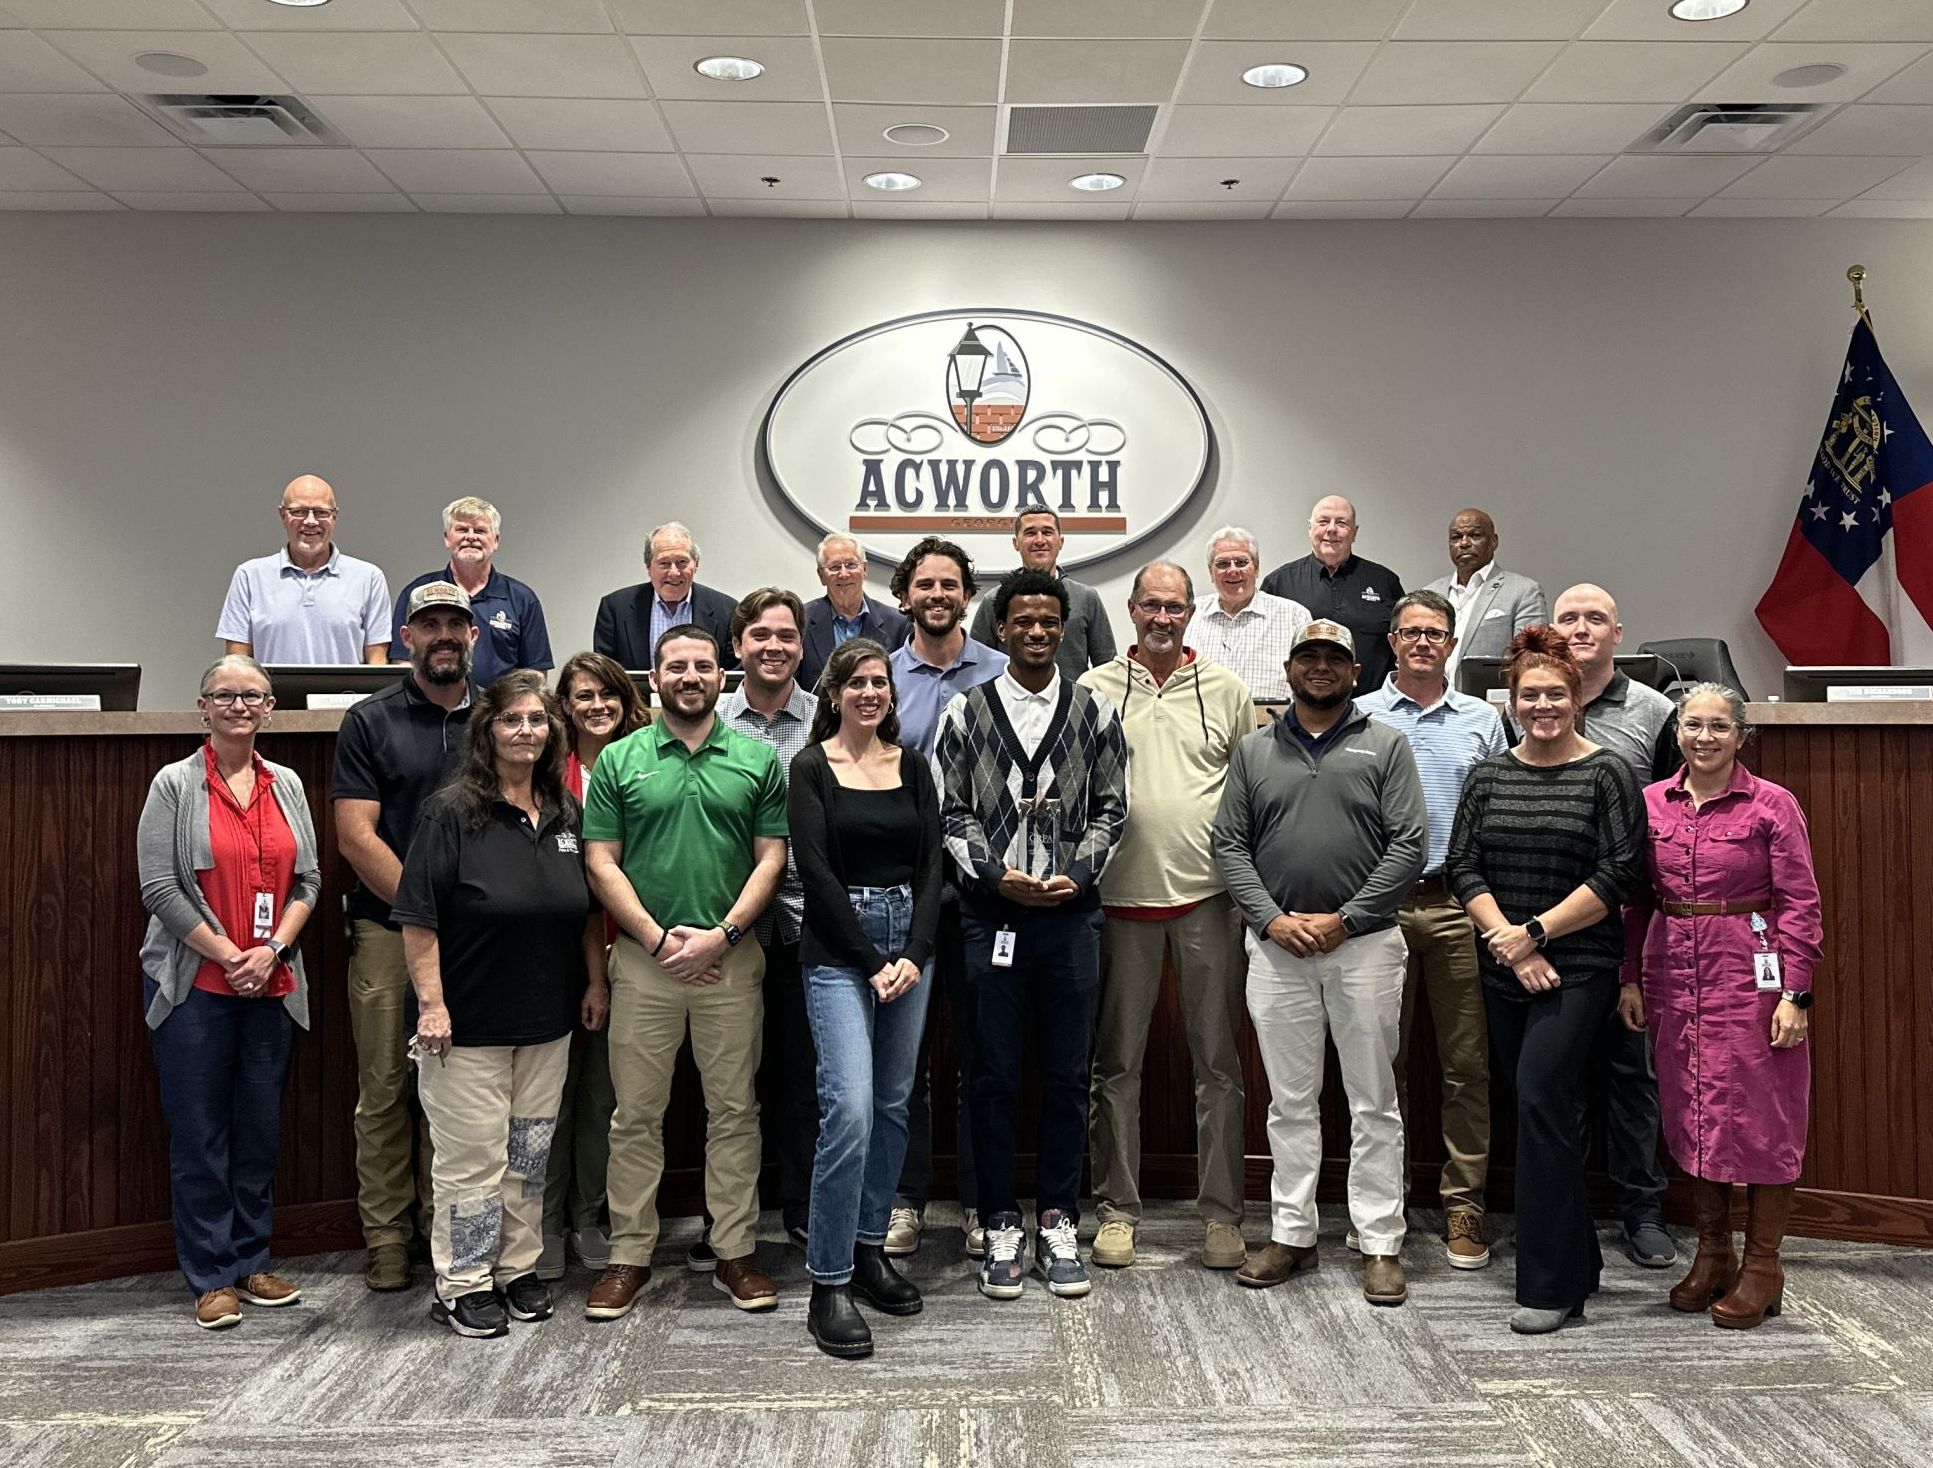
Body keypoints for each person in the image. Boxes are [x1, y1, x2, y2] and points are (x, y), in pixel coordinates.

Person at [1212, 620, 1426, 1309]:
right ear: (1290, 668)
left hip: (1362, 947)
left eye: (1333, 658)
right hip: (1276, 948)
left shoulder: (1385, 744)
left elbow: (1408, 844)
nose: (1321, 668)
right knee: (1289, 1103)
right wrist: (1270, 918)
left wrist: (1346, 919)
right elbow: (1229, 844)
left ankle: (1379, 1241)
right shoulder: (1253, 749)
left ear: (1354, 671)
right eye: (1308, 657)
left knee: (1373, 1101)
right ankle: (1292, 1234)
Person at [581, 624, 788, 1321]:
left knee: (734, 1112)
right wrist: (657, 937)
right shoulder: (619, 759)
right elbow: (601, 860)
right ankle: (629, 1255)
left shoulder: (757, 760)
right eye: (677, 666)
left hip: (731, 964)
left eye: (702, 665)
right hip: (644, 966)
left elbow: (770, 859)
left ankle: (734, 1250)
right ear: (654, 678)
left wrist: (722, 936)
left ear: (721, 677)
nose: (690, 675)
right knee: (635, 1116)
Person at [395, 671, 607, 1339]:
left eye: (538, 721)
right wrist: (432, 1006)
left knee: (528, 1154)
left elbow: (583, 916)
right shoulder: (450, 811)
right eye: (511, 720)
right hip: (467, 1025)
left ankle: (517, 1269)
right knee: (472, 1163)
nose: (526, 731)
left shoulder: (565, 812)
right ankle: (464, 1282)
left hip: (546, 1021)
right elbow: (418, 919)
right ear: (485, 732)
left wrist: (595, 984)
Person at [1446, 627, 1645, 1334]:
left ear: (1575, 699)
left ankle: (1548, 1284)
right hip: (1506, 967)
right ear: (1510, 700)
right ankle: (1579, 1261)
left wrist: (1536, 934)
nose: (1541, 706)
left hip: (1578, 971)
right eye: (1529, 695)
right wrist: (1508, 941)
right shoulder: (1488, 774)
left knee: (1537, 1100)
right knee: (1544, 1111)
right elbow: (1462, 866)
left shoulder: (1606, 772)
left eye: (1554, 694)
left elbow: (1620, 872)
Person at [937, 568, 1129, 1302]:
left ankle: (1056, 1217)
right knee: (987, 1077)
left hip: (1070, 918)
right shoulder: (966, 711)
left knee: (1065, 1076)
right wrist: (994, 877)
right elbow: (950, 812)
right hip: (990, 919)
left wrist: (1075, 876)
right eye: (1023, 621)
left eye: (1049, 621)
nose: (1038, 632)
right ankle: (996, 1221)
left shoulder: (1094, 711)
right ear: (1002, 627)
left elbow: (1114, 806)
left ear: (1064, 626)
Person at [1621, 684, 1823, 1330]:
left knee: (1763, 1118)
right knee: (1691, 1111)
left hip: (1751, 976)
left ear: (1741, 736)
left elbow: (1799, 904)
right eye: (1691, 725)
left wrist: (1796, 991)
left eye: (1717, 726)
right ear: (1675, 732)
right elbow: (1634, 902)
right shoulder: (1650, 804)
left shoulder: (1771, 806)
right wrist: (1629, 979)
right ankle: (1713, 1253)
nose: (1703, 737)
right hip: (1674, 975)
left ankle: (1762, 1266)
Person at [1080, 561, 1255, 1273]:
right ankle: (1117, 1212)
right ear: (1130, 610)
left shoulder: (1226, 690)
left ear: (1191, 612)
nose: (1161, 617)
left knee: (1218, 1065)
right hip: (1117, 901)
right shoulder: (1092, 689)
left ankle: (1221, 1217)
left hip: (1207, 902)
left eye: (1174, 607)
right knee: (1115, 1066)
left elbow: (1250, 794)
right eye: (1149, 606)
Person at [137, 656, 320, 1330]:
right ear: (203, 706)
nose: (239, 705)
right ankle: (210, 1274)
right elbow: (158, 887)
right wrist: (229, 956)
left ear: (269, 707)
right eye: (225, 695)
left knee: (259, 1128)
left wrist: (270, 952)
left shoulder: (287, 783)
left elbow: (310, 881)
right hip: (196, 989)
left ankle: (250, 1260)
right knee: (199, 1131)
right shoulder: (175, 784)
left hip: (271, 984)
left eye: (252, 695)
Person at [788, 638, 944, 1358]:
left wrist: (911, 954)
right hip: (837, 949)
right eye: (856, 682)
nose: (871, 693)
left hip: (908, 946)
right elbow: (814, 871)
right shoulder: (811, 767)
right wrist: (870, 960)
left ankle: (869, 1245)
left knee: (890, 1105)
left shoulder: (912, 766)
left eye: (880, 682)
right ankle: (828, 1280)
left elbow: (930, 865)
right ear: (833, 692)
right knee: (847, 1108)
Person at [331, 581, 479, 1291]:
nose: (444, 634)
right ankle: (388, 1241)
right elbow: (356, 835)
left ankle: (446, 1233)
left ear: (473, 637)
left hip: (482, 939)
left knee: (464, 1093)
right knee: (388, 1089)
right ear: (407, 637)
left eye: (456, 623)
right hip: (389, 929)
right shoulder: (370, 719)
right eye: (431, 624)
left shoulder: (500, 718)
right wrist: (425, 909)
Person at [1358, 590, 1508, 1269]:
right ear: (1391, 640)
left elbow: (1500, 812)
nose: (1422, 642)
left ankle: (1461, 1203)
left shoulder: (1482, 720)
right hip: (1377, 907)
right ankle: (1380, 1202)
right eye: (1411, 632)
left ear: (1451, 645)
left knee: (1464, 1064)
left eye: (1435, 633)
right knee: (1378, 1066)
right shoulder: (1357, 716)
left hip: (1456, 903)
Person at [1548, 581, 1680, 1269]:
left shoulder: (1654, 712)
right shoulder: (1533, 701)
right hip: (1547, 918)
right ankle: (1557, 1209)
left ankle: (1642, 1211)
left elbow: (1669, 817)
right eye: (1567, 617)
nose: (1579, 628)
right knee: (1554, 1078)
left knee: (1632, 1075)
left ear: (1617, 634)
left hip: (1625, 922)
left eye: (1593, 618)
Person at [883, 536, 1007, 1258]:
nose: (937, 594)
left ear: (967, 595)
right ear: (906, 594)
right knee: (906, 1062)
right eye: (924, 583)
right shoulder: (880, 676)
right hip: (903, 893)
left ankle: (976, 1201)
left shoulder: (999, 672)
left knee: (981, 1059)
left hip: (986, 895)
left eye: (949, 584)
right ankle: (905, 1199)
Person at [538, 651, 648, 1281]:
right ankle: (546, 1221)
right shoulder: (547, 771)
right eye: (583, 696)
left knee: (606, 1097)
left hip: (629, 945)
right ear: (566, 704)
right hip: (555, 953)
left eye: (607, 694)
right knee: (548, 1096)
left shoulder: (643, 762)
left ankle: (588, 1216)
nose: (597, 706)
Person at [720, 589, 818, 1253]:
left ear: (801, 646)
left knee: (802, 1075)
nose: (774, 646)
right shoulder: (709, 719)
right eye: (760, 635)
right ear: (738, 645)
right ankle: (730, 1221)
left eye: (786, 635)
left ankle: (803, 1207)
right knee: (728, 1079)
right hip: (724, 926)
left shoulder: (826, 718)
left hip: (807, 922)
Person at [217, 473, 390, 665]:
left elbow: (377, 662)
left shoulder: (369, 578)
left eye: (321, 512)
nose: (310, 521)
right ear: (282, 515)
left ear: (335, 516)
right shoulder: (249, 576)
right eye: (298, 512)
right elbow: (237, 663)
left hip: (344, 695)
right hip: (274, 696)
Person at [390, 496, 553, 686]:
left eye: (480, 530)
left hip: (499, 712)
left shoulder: (522, 599)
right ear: (447, 539)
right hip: (430, 710)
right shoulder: (417, 593)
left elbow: (535, 675)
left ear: (496, 541)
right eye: (461, 529)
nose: (471, 536)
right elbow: (402, 663)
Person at [1260, 496, 1404, 694]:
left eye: (1342, 523)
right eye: (1323, 521)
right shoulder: (1279, 583)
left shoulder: (1385, 582)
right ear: (1310, 529)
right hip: (1302, 711)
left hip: (1372, 710)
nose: (1331, 529)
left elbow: (1402, 647)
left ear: (1354, 533)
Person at [968, 508, 1117, 680]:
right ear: (1016, 543)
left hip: (1073, 705)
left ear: (1060, 542)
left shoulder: (1087, 598)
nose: (1040, 540)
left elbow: (1108, 671)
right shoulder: (993, 601)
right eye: (1030, 533)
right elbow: (978, 667)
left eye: (1047, 532)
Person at [1422, 509, 1548, 686]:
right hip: (1431, 703)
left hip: (1491, 705)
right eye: (1456, 537)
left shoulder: (1524, 591)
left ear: (1494, 541)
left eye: (1474, 535)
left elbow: (1532, 661)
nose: (1464, 543)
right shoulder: (1430, 593)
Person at [593, 521, 740, 671]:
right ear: (648, 567)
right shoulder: (615, 609)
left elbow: (733, 677)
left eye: (682, 562)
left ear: (696, 564)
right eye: (664, 563)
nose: (674, 573)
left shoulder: (727, 611)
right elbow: (606, 676)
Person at [1190, 526, 1311, 703]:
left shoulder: (1294, 616)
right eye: (1222, 564)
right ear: (1210, 572)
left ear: (1256, 567)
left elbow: (1309, 684)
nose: (1232, 570)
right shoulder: (1189, 614)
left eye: (1241, 562)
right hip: (1201, 726)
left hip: (1272, 727)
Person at [799, 533, 909, 692]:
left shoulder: (898, 624)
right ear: (822, 576)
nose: (844, 574)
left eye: (851, 565)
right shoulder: (801, 620)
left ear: (864, 569)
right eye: (834, 567)